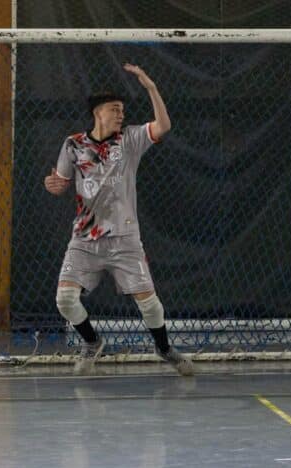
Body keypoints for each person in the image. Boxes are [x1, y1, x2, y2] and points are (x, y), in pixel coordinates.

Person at [44, 63, 193, 376]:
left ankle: (164, 349)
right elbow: (60, 182)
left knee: (149, 303)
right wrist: (52, 185)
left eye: (123, 110)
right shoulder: (73, 145)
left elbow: (163, 125)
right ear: (98, 113)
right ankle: (92, 342)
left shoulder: (130, 140)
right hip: (84, 239)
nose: (120, 115)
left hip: (125, 239)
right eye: (115, 109)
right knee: (65, 300)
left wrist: (151, 87)